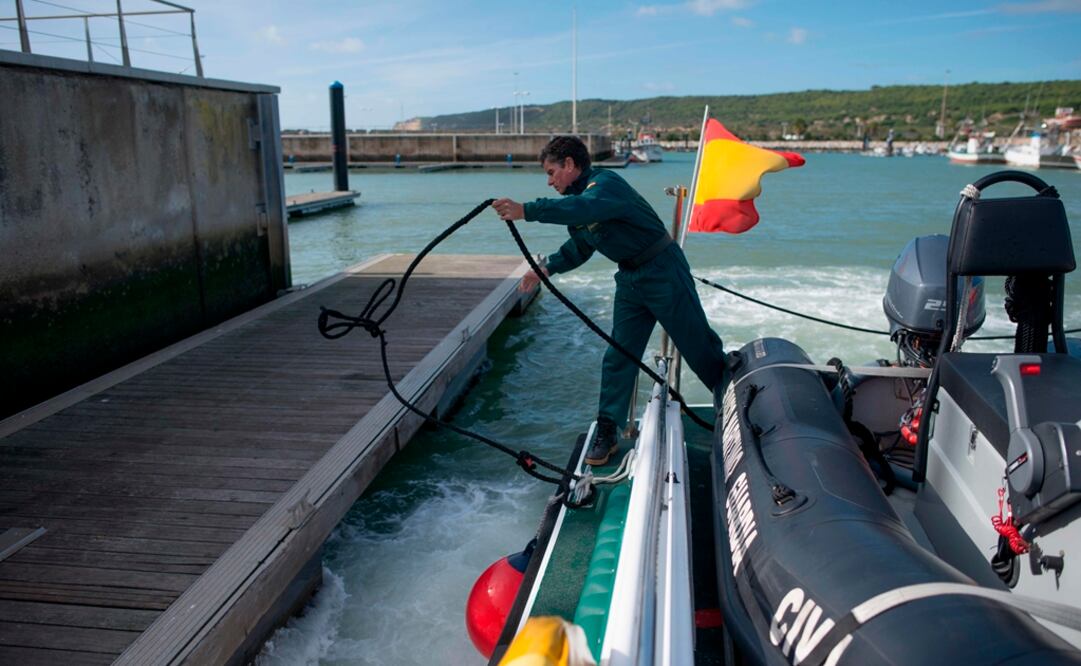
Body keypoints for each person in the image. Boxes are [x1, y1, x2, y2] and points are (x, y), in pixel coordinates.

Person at [492, 136, 726, 466]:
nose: (549, 181)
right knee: (619, 354)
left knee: (696, 342)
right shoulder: (578, 203)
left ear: (570, 165)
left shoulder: (606, 184)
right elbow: (580, 247)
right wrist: (545, 269)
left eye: (551, 172)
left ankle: (733, 403)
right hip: (630, 278)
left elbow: (585, 208)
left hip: (662, 270)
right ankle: (608, 429)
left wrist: (527, 210)